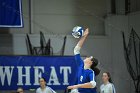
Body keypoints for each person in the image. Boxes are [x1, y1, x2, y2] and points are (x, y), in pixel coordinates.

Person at [67, 28, 100, 93]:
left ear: (91, 62)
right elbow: (76, 49)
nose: (87, 57)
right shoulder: (81, 65)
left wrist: (77, 86)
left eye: (89, 57)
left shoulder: (90, 72)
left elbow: (93, 84)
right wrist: (84, 36)